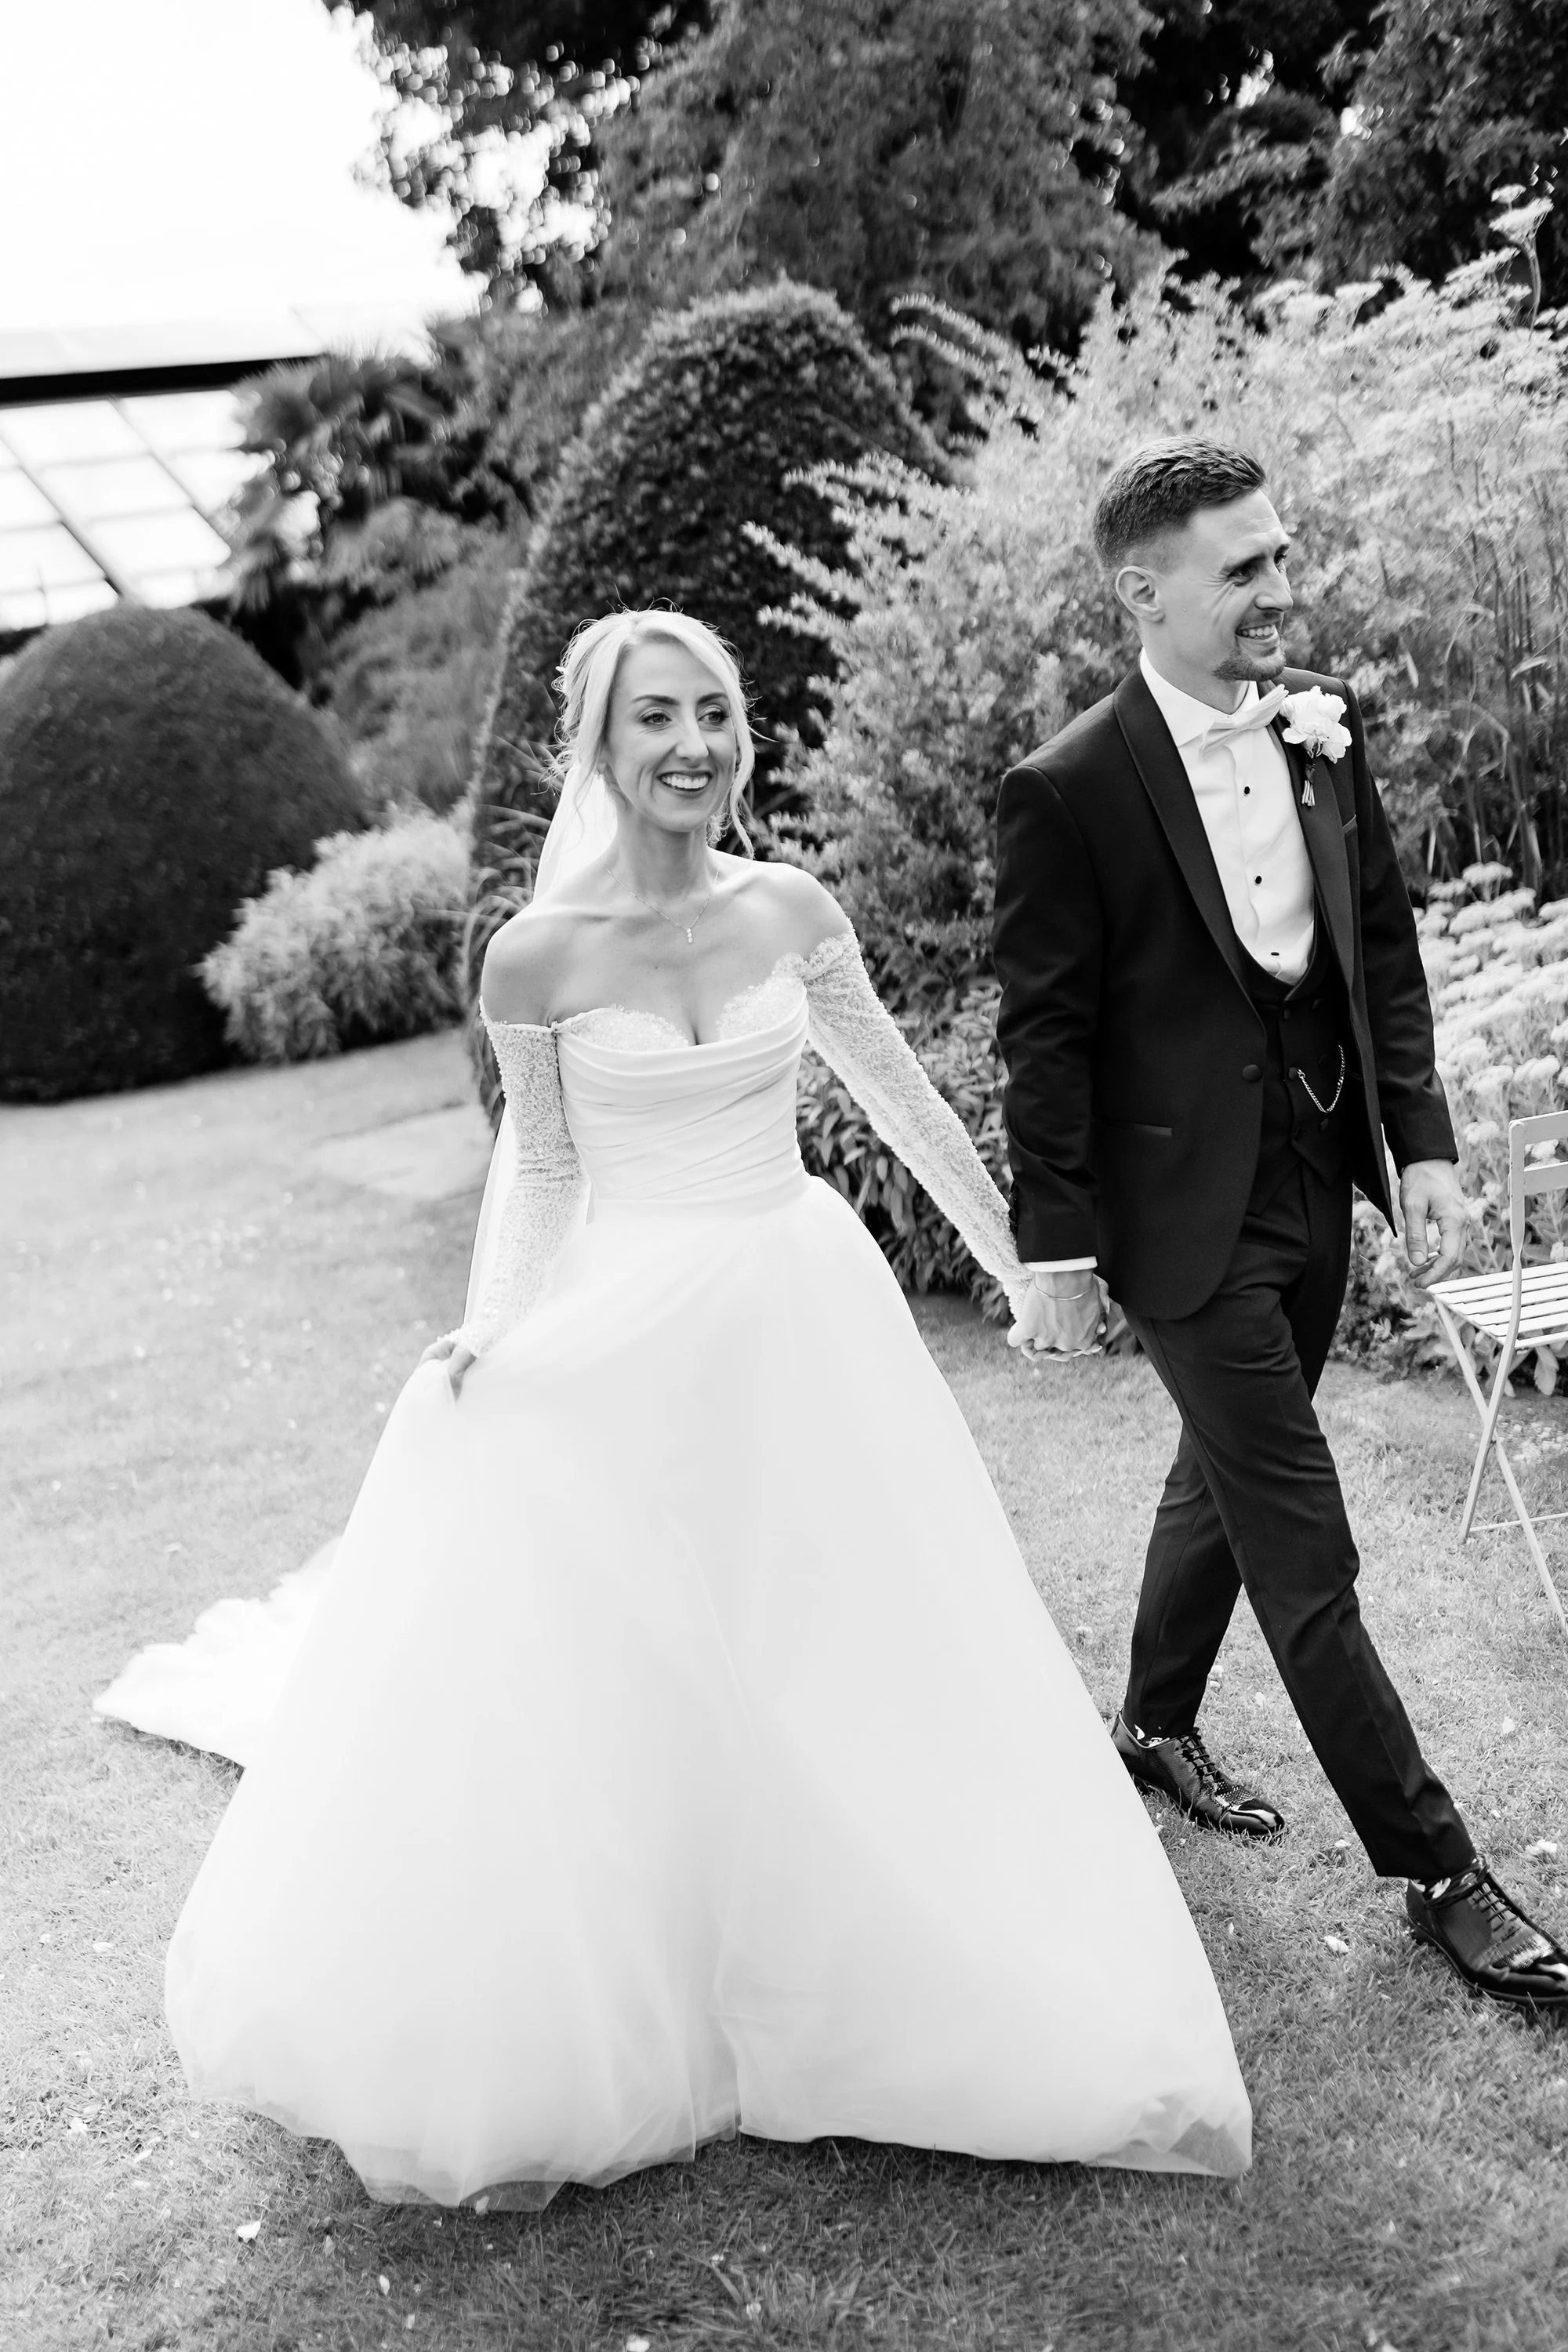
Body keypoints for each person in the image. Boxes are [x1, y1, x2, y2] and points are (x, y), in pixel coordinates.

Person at [114, 608, 1252, 2210]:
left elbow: (895, 1092)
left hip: (799, 1303)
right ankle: (667, 1954)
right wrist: (491, 1336)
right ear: (596, 743)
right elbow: (547, 1167)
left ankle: (869, 1935)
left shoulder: (789, 907)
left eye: (714, 714)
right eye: (656, 718)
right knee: (642, 1655)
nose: (694, 745)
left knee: (834, 1634)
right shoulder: (536, 953)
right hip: (631, 1320)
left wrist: (1023, 1262)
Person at [995, 438, 1568, 2013]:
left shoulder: (1322, 729)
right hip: (1178, 1220)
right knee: (1303, 1542)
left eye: (1278, 553)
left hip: (1317, 1181)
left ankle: (1153, 1722)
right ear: (1145, 588)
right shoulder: (1065, 790)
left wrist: (1421, 1149)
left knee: (1224, 1472)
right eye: (1242, 565)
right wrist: (1051, 1248)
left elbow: (1377, 943)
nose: (1279, 585)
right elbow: (1040, 1031)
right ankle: (1438, 1872)